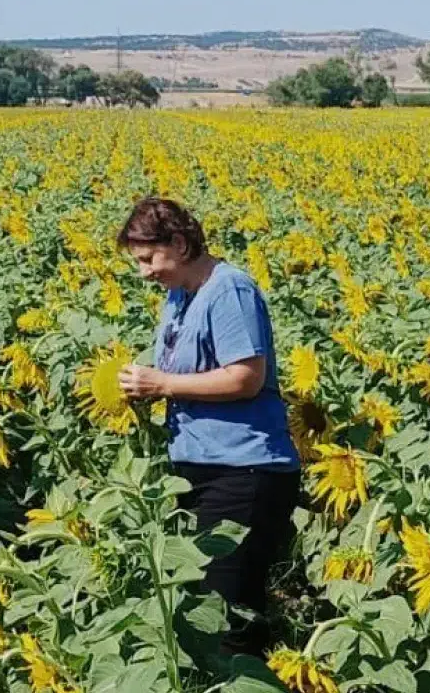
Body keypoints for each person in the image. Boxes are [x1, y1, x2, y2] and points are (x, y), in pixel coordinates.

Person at [116, 197, 301, 657]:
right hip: (201, 470)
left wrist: (163, 384)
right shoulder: (178, 298)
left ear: (180, 244)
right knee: (207, 608)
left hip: (244, 471)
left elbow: (246, 377)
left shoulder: (229, 290)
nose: (143, 273)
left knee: (228, 617)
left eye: (149, 258)